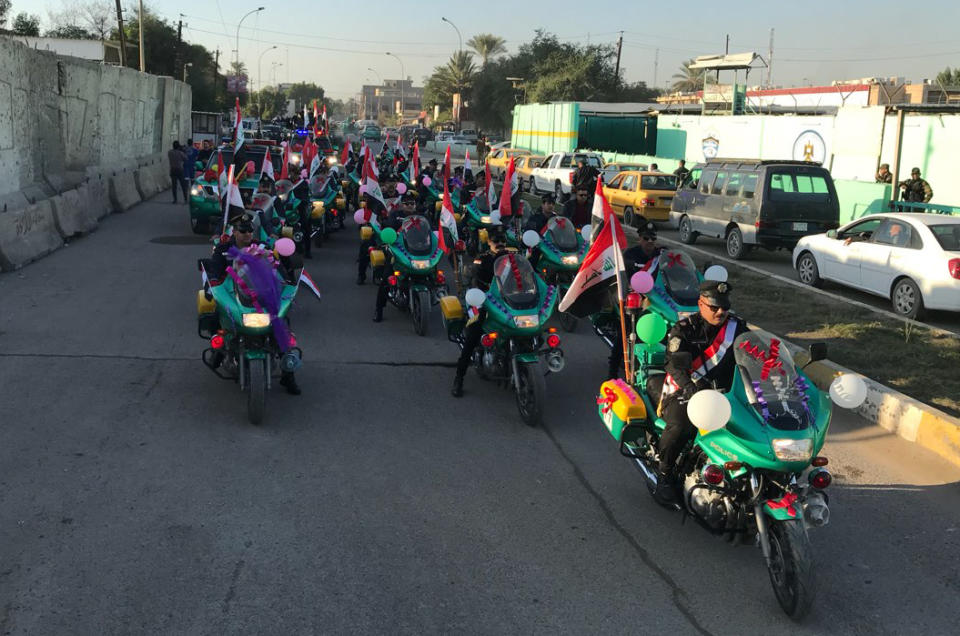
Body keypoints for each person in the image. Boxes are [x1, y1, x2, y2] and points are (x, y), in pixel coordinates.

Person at [652, 281, 748, 502]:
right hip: (686, 391)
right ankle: (664, 474)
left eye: (724, 307)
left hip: (726, 394)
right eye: (714, 307)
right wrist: (690, 388)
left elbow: (754, 352)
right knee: (680, 426)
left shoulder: (737, 328)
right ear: (701, 304)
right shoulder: (684, 329)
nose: (720, 312)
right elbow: (674, 365)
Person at [207, 213, 302, 395]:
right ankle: (218, 352)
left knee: (282, 327)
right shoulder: (223, 249)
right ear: (234, 232)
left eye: (250, 230)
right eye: (243, 230)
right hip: (233, 295)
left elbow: (278, 268)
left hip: (261, 295)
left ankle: (288, 375)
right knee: (215, 315)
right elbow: (214, 269)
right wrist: (212, 282)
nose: (247, 234)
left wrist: (288, 281)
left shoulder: (263, 247)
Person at [452, 226, 508, 397]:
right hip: (484, 300)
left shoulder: (513, 258)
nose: (499, 243)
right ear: (488, 241)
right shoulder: (482, 258)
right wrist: (498, 258)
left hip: (508, 301)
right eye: (495, 240)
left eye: (502, 240)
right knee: (473, 335)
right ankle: (459, 378)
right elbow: (480, 273)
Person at [607, 223, 663, 379]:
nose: (650, 241)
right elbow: (622, 278)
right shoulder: (630, 255)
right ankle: (612, 372)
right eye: (646, 238)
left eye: (653, 238)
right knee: (624, 334)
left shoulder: (661, 255)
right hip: (633, 300)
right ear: (639, 239)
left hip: (656, 301)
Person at [373, 192, 417, 322]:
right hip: (399, 250)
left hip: (417, 250)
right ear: (402, 205)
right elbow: (388, 225)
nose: (410, 206)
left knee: (434, 272)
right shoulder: (396, 215)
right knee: (387, 278)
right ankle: (379, 309)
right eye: (407, 203)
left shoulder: (420, 216)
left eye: (412, 203)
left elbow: (430, 230)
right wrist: (387, 225)